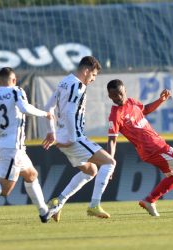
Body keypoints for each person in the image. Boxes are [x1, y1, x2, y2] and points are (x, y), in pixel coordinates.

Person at [0, 67, 55, 223]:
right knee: (4, 190)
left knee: (31, 175)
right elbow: (24, 108)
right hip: (13, 147)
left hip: (6, 146)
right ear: (14, 80)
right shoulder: (17, 91)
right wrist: (45, 113)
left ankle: (43, 212)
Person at [106, 79, 173, 216]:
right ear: (109, 97)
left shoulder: (131, 101)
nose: (117, 98)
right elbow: (112, 141)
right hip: (153, 148)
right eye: (113, 96)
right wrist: (109, 162)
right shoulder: (115, 115)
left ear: (124, 90)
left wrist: (161, 100)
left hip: (155, 146)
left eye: (119, 94)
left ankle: (150, 200)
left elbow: (146, 110)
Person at [42, 56, 116, 221]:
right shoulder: (78, 86)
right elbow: (69, 112)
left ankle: (58, 202)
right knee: (110, 162)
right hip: (73, 137)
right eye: (94, 75)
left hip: (63, 136)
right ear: (86, 70)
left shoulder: (64, 82)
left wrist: (51, 132)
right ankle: (94, 205)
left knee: (91, 170)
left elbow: (48, 108)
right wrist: (73, 138)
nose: (93, 79)